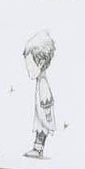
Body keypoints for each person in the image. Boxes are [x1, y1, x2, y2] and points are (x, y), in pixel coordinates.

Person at [24, 29, 57, 158]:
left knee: (41, 131)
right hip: (41, 114)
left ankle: (38, 149)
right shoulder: (40, 81)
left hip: (43, 115)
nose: (28, 70)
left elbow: (47, 100)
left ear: (41, 63)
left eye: (30, 66)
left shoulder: (42, 82)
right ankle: (37, 149)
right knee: (39, 131)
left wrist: (47, 115)